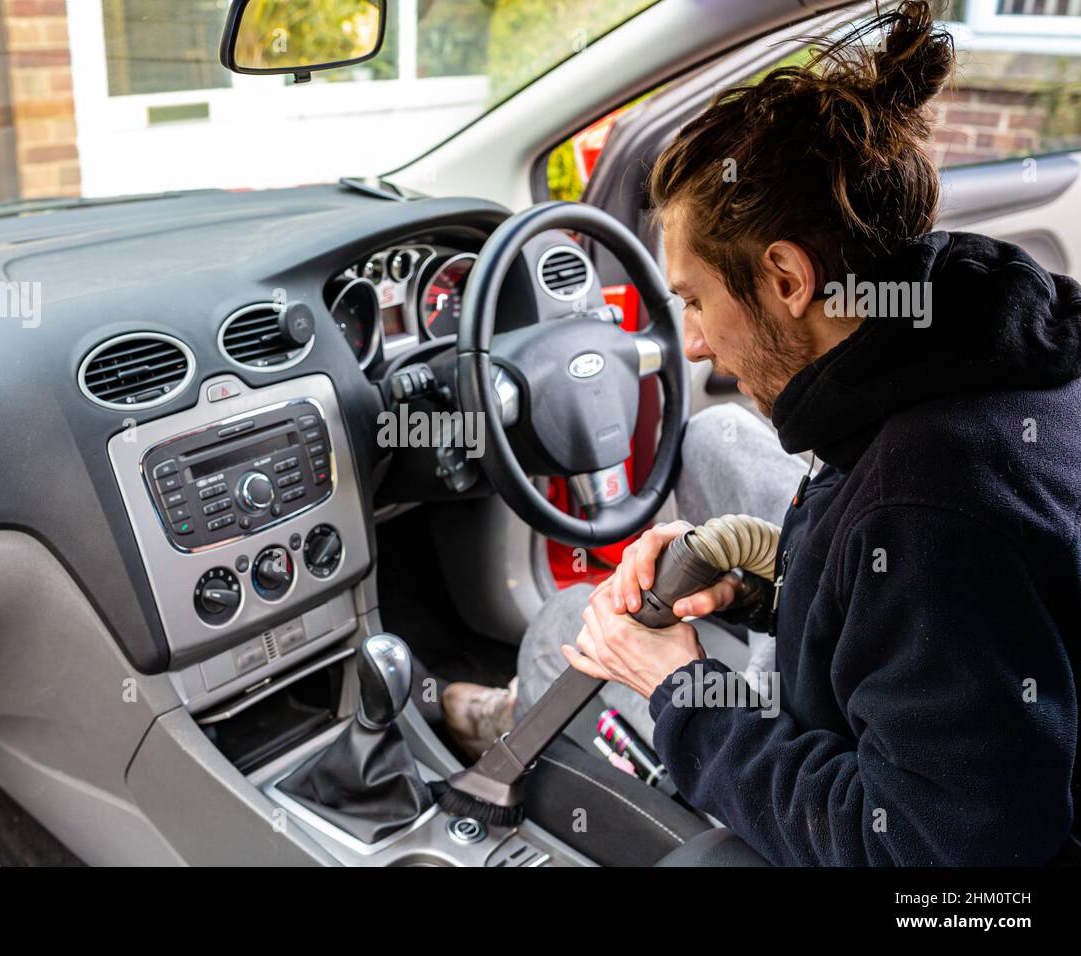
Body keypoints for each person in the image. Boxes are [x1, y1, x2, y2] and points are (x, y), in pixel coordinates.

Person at [442, 0, 1081, 865]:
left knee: (568, 629)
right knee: (714, 445)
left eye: (695, 300)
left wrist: (683, 690)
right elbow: (904, 613)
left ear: (785, 276)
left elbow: (937, 860)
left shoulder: (929, 511)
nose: (692, 340)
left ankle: (520, 719)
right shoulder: (983, 341)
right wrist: (749, 581)